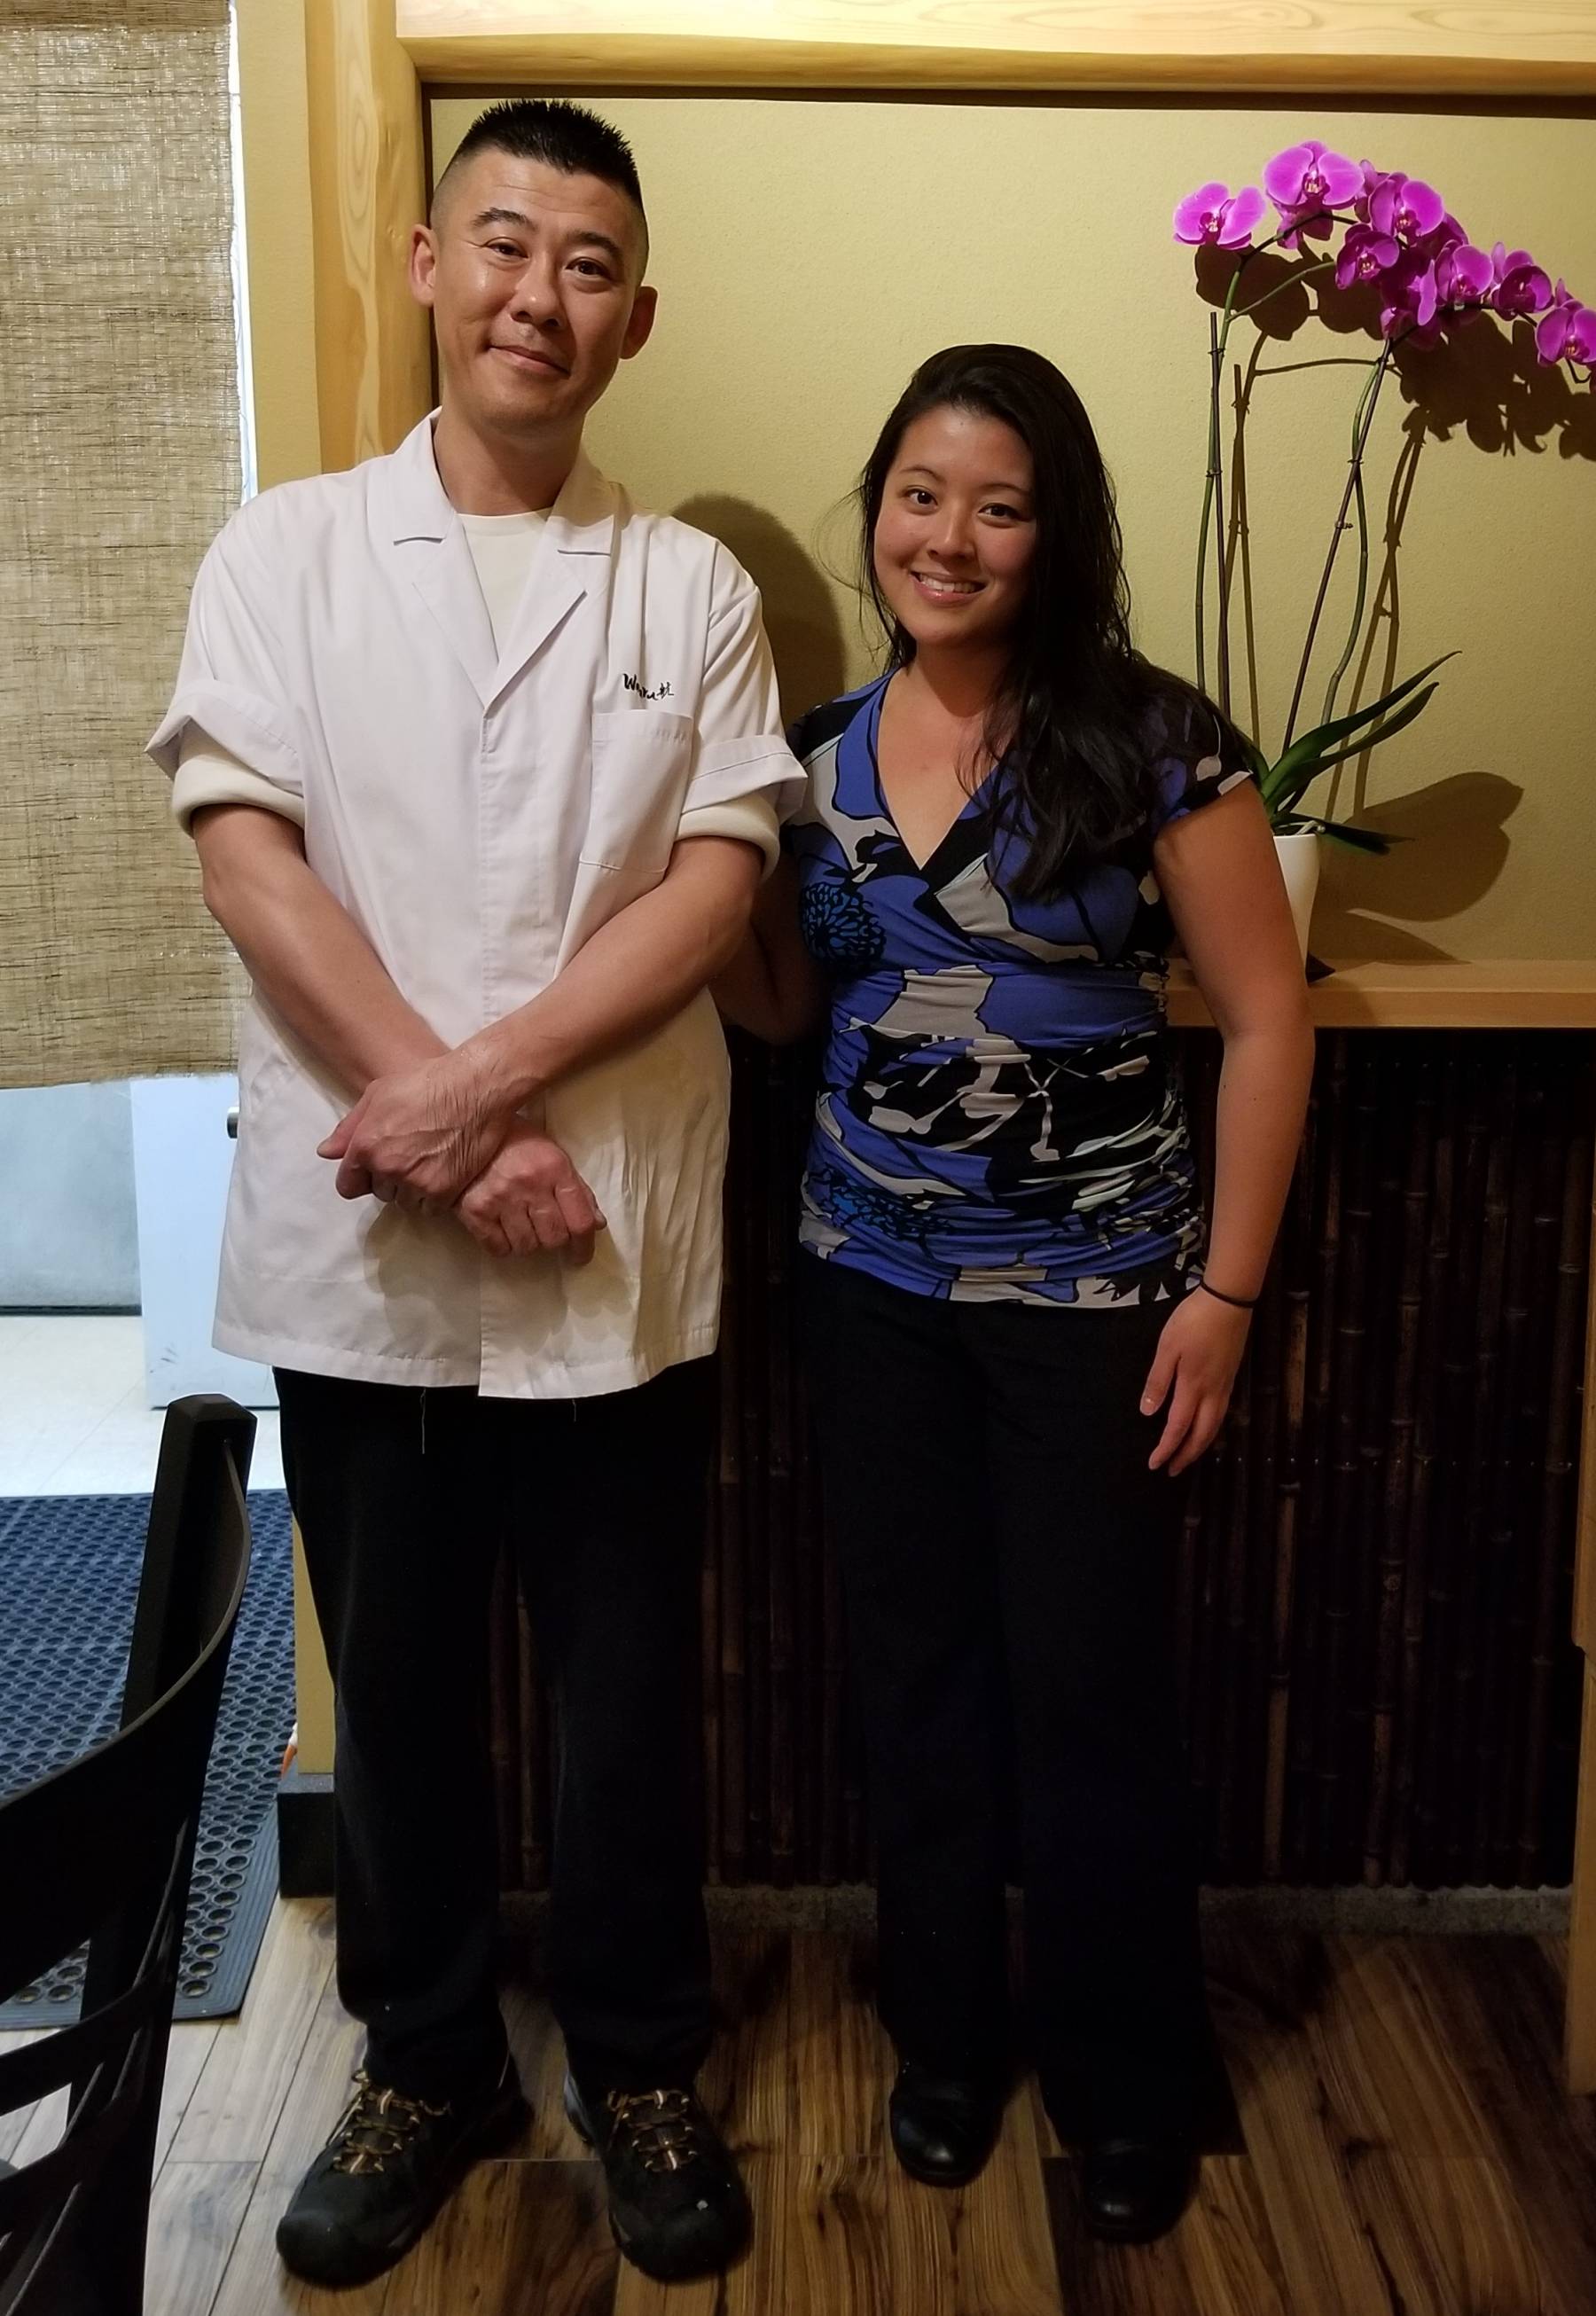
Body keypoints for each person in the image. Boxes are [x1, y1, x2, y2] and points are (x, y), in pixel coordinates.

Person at [148, 100, 802, 2289]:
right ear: (430, 264)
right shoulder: (286, 552)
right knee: (400, 1685)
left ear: (637, 316)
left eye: (588, 263)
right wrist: (457, 1125)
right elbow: (248, 859)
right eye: (504, 244)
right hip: (378, 1248)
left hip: (604, 1230)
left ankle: (637, 2053)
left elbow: (716, 882)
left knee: (627, 1687)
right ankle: (425, 2057)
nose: (541, 294)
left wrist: (485, 1092)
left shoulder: (691, 585)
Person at [715, 343, 1315, 2243]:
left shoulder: (1152, 741)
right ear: (878, 506)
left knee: (1091, 1690)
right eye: (920, 495)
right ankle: (947, 2044)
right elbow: (791, 1014)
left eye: (998, 505)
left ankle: (1131, 2077)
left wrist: (1224, 1293)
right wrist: (699, 898)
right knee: (916, 1677)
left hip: (1099, 1304)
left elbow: (1270, 1015)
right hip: (866, 1283)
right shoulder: (811, 758)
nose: (948, 538)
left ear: (1056, 533)